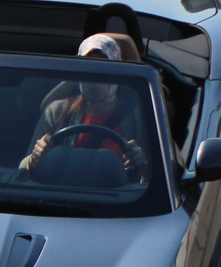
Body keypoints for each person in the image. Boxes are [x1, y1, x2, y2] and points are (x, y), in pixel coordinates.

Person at [19, 33, 148, 176]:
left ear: (117, 72)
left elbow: (157, 176)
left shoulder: (139, 116)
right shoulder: (56, 112)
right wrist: (35, 158)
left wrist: (141, 164)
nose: (95, 80)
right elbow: (22, 171)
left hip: (124, 198)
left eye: (104, 70)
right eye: (89, 69)